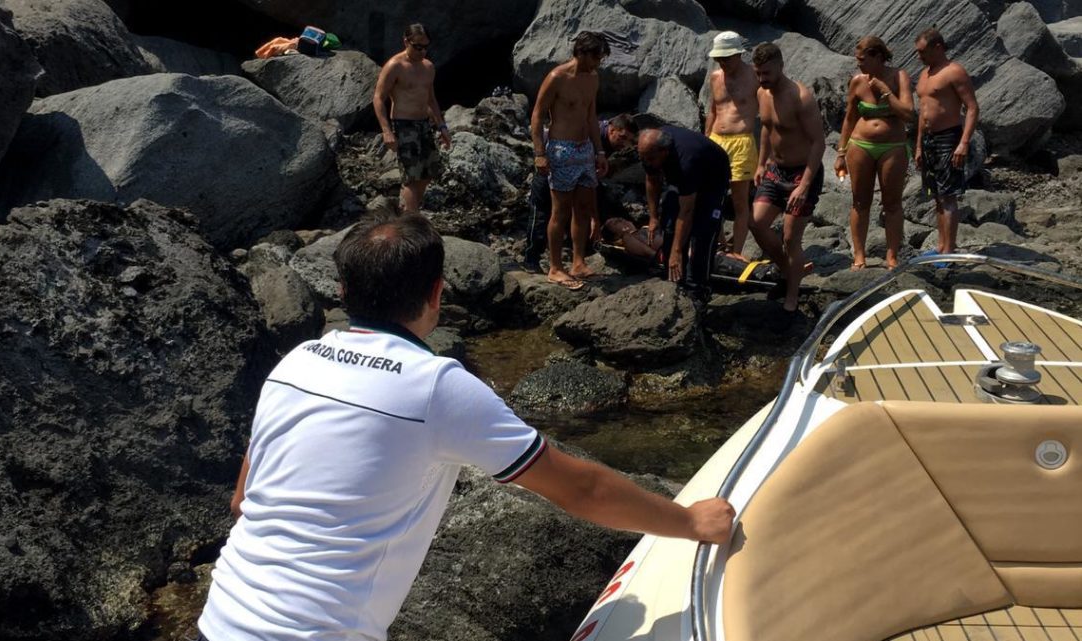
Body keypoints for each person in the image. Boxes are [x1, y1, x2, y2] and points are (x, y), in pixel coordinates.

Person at [196, 213, 736, 641]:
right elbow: (581, 487)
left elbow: (243, 501)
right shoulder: (435, 385)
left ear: (342, 289)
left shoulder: (296, 362)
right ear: (437, 293)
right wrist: (690, 522)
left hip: (218, 620)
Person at [749, 43, 825, 315]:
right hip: (775, 169)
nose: (762, 79)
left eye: (766, 73)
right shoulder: (761, 92)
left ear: (781, 65)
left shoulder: (800, 97)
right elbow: (767, 129)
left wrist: (804, 185)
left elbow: (819, 143)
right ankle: (791, 270)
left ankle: (791, 294)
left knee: (791, 238)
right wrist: (760, 163)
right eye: (758, 73)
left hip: (802, 172)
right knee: (756, 223)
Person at [531, 31, 612, 290]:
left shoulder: (593, 78)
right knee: (560, 210)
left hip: (584, 148)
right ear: (583, 53)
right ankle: (555, 267)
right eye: (597, 57)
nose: (599, 62)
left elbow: (591, 115)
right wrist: (539, 153)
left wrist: (599, 152)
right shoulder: (557, 77)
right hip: (561, 148)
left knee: (584, 208)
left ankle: (579, 262)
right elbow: (537, 116)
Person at [835, 36, 914, 270]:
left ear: (878, 57)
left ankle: (892, 256)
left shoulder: (899, 76)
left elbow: (909, 113)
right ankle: (859, 256)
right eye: (857, 60)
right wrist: (841, 151)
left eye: (862, 60)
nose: (858, 64)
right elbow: (849, 118)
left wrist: (885, 91)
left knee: (892, 203)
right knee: (860, 201)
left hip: (893, 146)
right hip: (861, 145)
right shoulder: (857, 81)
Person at [523, 114, 639, 272]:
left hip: (577, 175)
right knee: (542, 213)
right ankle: (532, 259)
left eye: (630, 141)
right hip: (552, 168)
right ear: (612, 129)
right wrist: (594, 218)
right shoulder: (592, 135)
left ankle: (573, 254)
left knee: (579, 211)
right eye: (622, 137)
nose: (624, 144)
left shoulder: (606, 142)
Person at [638, 126, 731, 300]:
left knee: (701, 236)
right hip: (682, 183)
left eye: (650, 159)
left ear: (664, 152)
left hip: (712, 184)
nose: (647, 162)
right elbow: (652, 179)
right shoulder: (650, 152)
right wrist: (653, 217)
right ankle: (672, 280)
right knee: (669, 227)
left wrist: (677, 251)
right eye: (643, 158)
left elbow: (686, 212)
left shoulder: (686, 159)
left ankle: (698, 291)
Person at [373, 24, 452, 215]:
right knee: (411, 177)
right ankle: (412, 218)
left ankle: (408, 210)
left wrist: (441, 126)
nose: (422, 51)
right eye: (418, 47)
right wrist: (386, 131)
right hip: (404, 125)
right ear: (406, 41)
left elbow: (431, 99)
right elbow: (378, 98)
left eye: (426, 46)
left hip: (424, 124)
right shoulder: (395, 66)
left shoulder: (428, 67)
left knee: (429, 172)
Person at [914, 28, 979, 255]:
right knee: (936, 196)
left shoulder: (954, 71)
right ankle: (941, 246)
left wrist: (964, 142)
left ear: (938, 47)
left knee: (948, 195)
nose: (919, 57)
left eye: (922, 52)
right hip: (929, 140)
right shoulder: (924, 74)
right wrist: (919, 146)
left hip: (948, 137)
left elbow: (972, 107)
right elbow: (923, 113)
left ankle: (949, 250)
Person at [705, 31, 759, 261]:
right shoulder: (716, 77)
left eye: (726, 58)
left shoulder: (755, 76)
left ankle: (736, 250)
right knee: (709, 196)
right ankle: (719, 243)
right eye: (719, 59)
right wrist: (705, 139)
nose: (722, 62)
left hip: (742, 140)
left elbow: (768, 111)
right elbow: (712, 110)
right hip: (716, 139)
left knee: (739, 199)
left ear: (738, 54)